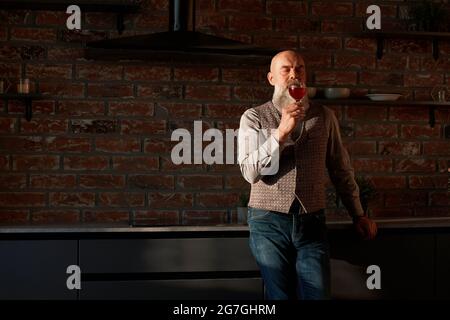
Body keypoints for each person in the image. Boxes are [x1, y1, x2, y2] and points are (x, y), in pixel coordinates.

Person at [237, 50, 377, 300]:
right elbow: (250, 172)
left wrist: (358, 213)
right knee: (280, 298)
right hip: (268, 223)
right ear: (271, 78)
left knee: (318, 296)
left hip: (311, 221)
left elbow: (340, 168)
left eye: (299, 69)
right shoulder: (254, 117)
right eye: (286, 69)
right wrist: (280, 134)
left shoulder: (324, 116)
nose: (294, 74)